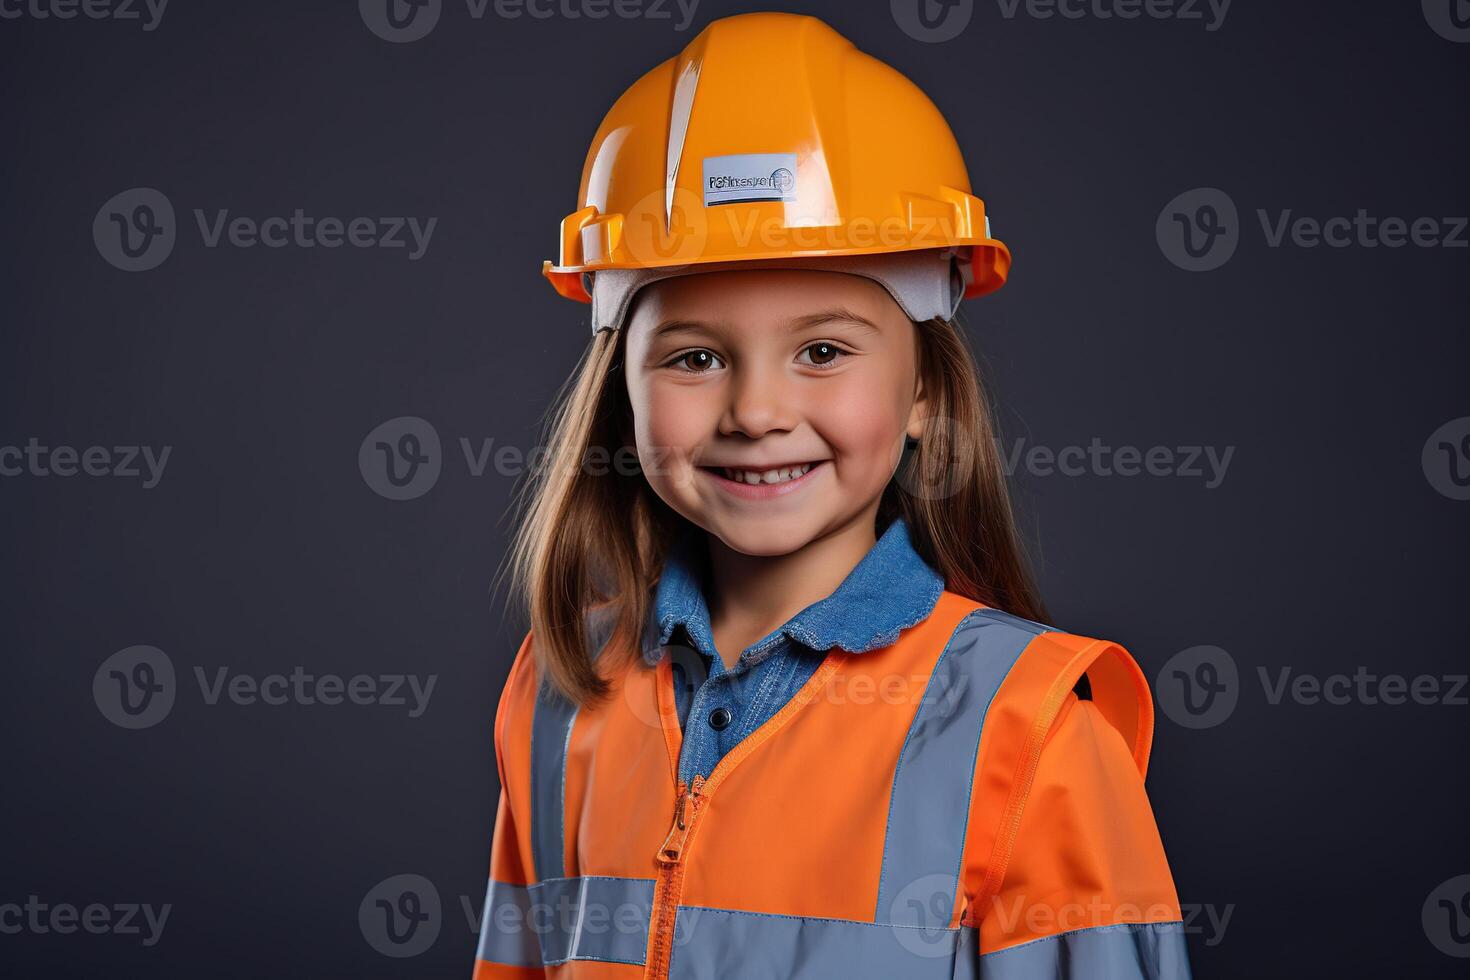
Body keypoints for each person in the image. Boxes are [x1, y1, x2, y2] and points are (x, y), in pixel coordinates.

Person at [473, 12, 1192, 979]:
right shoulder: (559, 697)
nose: (757, 411)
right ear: (623, 393)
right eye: (695, 357)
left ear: (925, 393)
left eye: (822, 351)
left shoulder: (1035, 736)